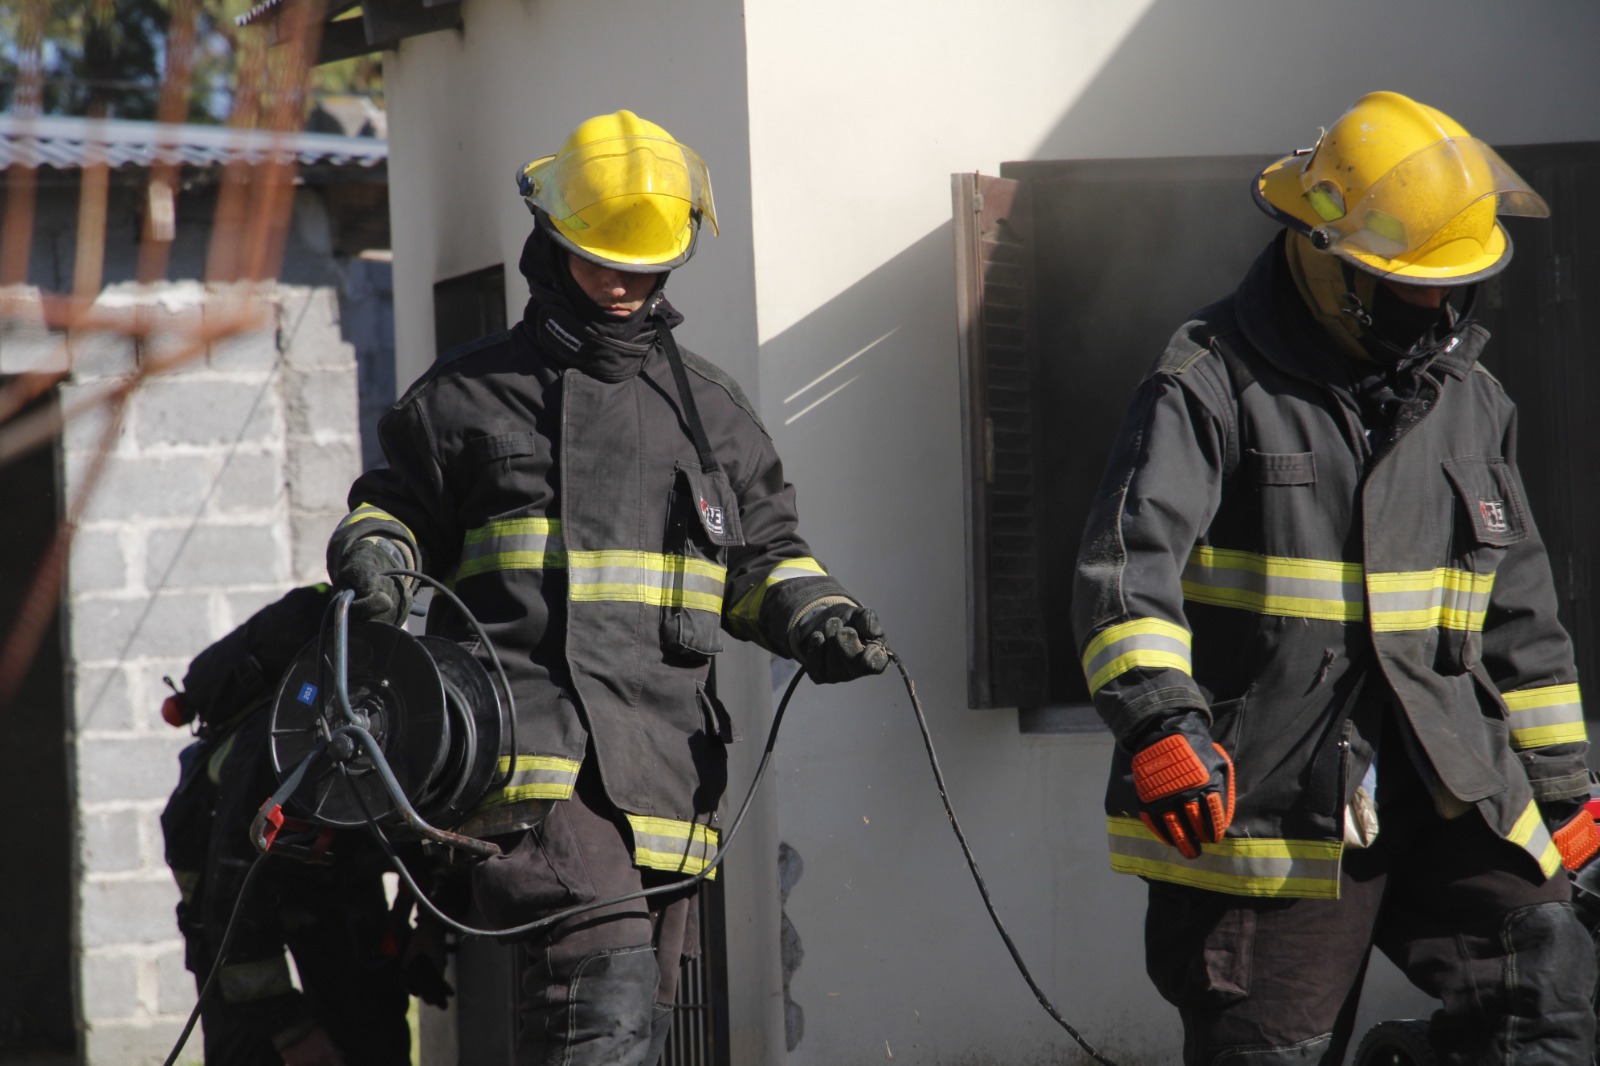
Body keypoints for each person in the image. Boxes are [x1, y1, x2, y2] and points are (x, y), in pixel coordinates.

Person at [326, 109, 888, 1066]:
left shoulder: (711, 417)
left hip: (661, 766)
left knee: (632, 1019)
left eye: (644, 267)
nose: (624, 286)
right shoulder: (465, 398)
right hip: (526, 753)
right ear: (552, 244)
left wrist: (817, 617)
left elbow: (761, 560)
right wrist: (376, 553)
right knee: (604, 980)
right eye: (600, 263)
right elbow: (388, 510)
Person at [1070, 90, 1598, 1063]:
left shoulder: (1470, 400)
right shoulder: (1209, 382)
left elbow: (1519, 613)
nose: (1436, 310)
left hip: (1452, 787)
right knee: (1274, 1051)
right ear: (1327, 257)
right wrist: (1160, 722)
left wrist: (1565, 788)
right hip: (1276, 808)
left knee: (1546, 1009)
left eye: (1452, 286)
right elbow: (1125, 571)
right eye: (1409, 285)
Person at [160, 584, 430, 1066]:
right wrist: (292, 1034)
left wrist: (427, 927)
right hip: (230, 901)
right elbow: (232, 917)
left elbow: (424, 835)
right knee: (252, 1047)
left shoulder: (407, 725)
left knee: (374, 1035)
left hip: (326, 880)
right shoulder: (278, 760)